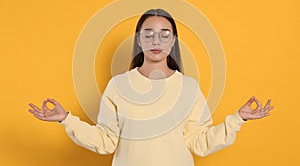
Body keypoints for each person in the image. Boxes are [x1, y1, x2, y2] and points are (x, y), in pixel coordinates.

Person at [28, 9, 274, 166]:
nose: (156, 40)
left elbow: (200, 142)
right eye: (149, 34)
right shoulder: (119, 85)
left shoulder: (188, 87)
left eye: (164, 34)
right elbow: (106, 141)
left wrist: (238, 119)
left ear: (173, 41)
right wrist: (66, 119)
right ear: (139, 39)